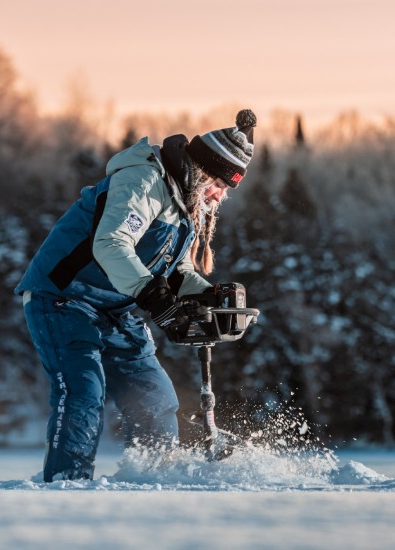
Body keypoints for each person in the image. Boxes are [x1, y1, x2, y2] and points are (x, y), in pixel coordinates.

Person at [15, 109, 257, 482]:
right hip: (64, 298)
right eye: (220, 186)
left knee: (155, 399)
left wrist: (207, 294)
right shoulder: (144, 181)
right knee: (83, 391)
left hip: (116, 308)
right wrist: (150, 293)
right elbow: (111, 243)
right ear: (205, 171)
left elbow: (173, 270)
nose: (219, 197)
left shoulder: (184, 203)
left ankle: (151, 482)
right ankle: (66, 487)